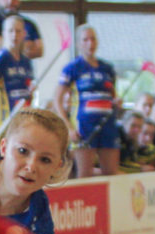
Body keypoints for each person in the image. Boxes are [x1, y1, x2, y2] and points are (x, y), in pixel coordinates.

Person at [53, 25, 119, 179]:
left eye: (93, 39)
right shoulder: (72, 68)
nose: (90, 43)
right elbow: (57, 99)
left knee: (111, 172)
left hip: (107, 123)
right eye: (85, 39)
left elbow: (113, 94)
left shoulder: (107, 68)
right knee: (85, 173)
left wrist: (117, 101)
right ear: (78, 44)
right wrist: (68, 127)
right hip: (84, 125)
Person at [0, 14, 34, 147]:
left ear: (24, 34)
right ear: (4, 33)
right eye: (10, 31)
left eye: (18, 31)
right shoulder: (0, 59)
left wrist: (30, 92)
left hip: (22, 120)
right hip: (3, 121)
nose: (14, 35)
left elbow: (28, 92)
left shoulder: (26, 61)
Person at [0, 0, 43, 67]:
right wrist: (28, 45)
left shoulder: (29, 24)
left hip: (24, 73)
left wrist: (12, 45)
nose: (10, 2)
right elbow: (5, 50)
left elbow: (39, 51)